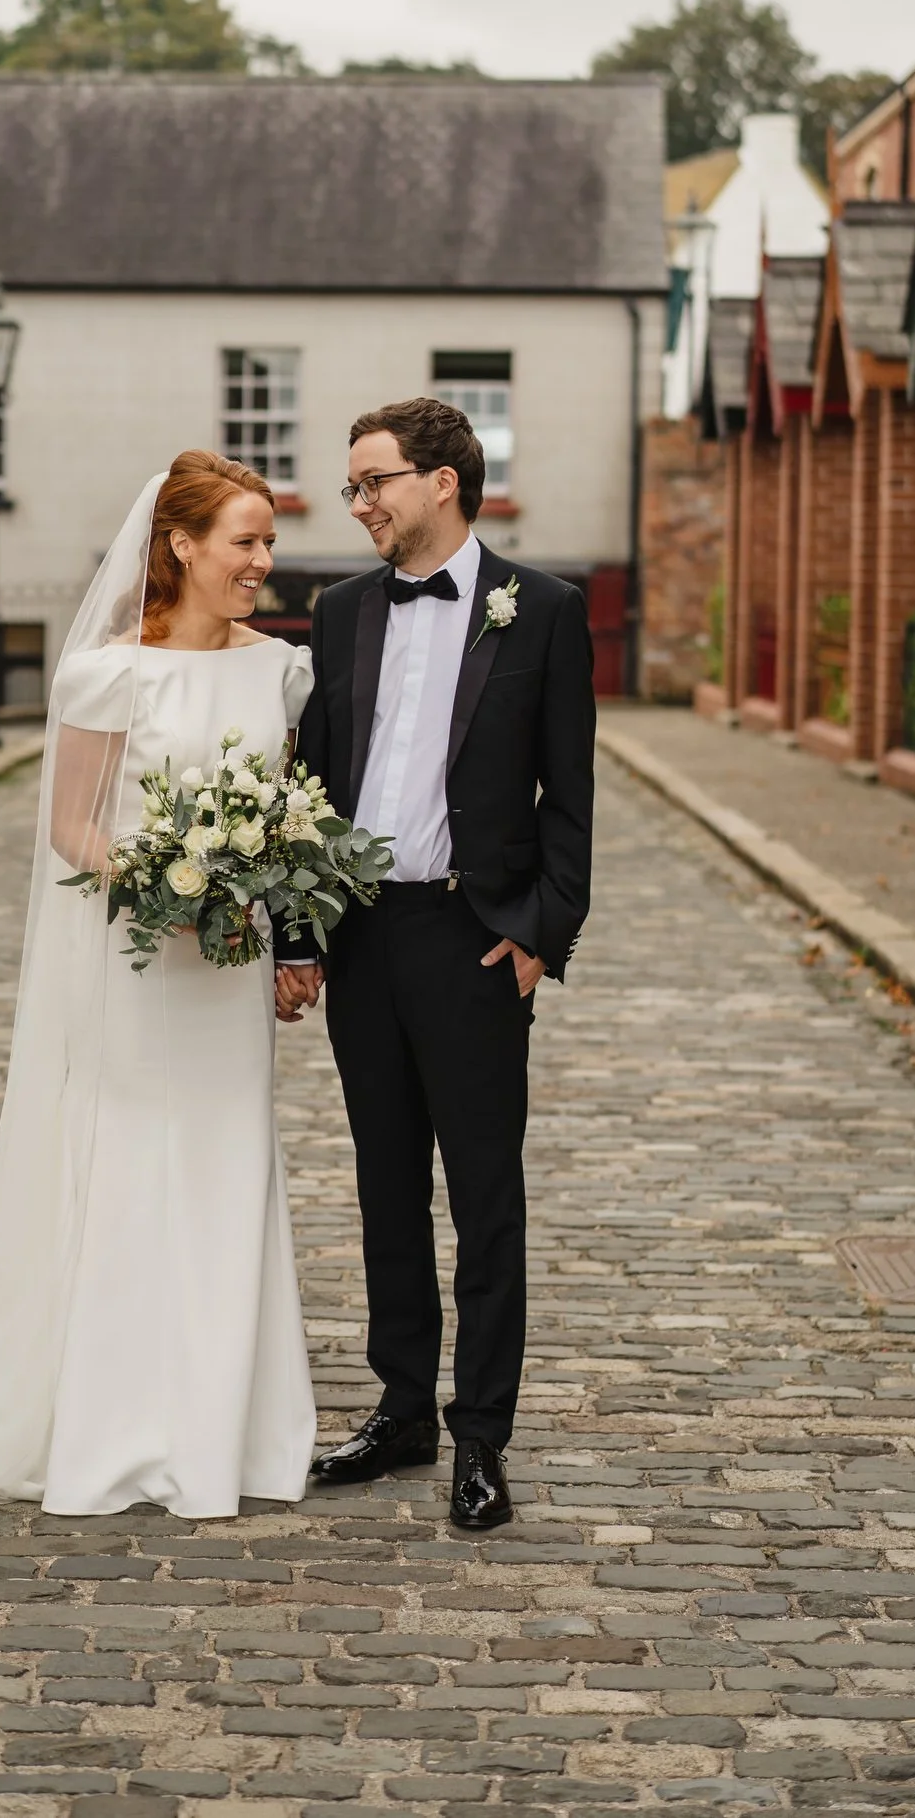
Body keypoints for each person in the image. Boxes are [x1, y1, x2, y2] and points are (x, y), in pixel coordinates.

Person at [0, 452, 317, 1528]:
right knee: (130, 1164)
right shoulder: (108, 675)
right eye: (245, 540)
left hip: (224, 978)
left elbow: (285, 820)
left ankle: (223, 1430)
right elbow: (74, 827)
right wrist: (162, 890)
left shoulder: (280, 671)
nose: (263, 562)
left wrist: (258, 909)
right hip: (139, 968)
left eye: (269, 541)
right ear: (181, 544)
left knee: (230, 1164)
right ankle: (113, 1427)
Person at [275, 399, 594, 1531]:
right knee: (384, 1185)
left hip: (474, 943)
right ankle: (403, 1406)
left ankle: (481, 1439)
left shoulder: (543, 611)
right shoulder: (343, 610)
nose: (359, 503)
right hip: (366, 939)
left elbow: (570, 797)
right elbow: (311, 787)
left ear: (444, 482)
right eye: (353, 485)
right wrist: (298, 933)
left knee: (485, 1197)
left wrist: (541, 935)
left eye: (375, 482)